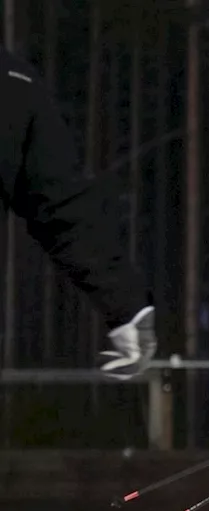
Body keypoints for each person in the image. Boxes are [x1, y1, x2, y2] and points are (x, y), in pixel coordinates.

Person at [0, 48, 155, 379]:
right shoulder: (13, 79)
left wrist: (126, 305)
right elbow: (62, 205)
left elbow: (61, 203)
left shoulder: (13, 82)